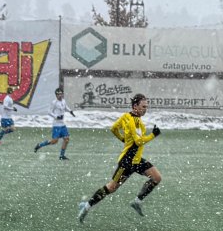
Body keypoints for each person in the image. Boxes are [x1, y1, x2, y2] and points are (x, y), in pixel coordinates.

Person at [78, 93, 162, 221]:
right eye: (143, 106)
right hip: (127, 162)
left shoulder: (127, 116)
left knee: (156, 177)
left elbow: (114, 128)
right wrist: (153, 135)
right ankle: (87, 206)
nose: (146, 109)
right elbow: (139, 141)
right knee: (111, 187)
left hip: (137, 160)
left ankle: (137, 201)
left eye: (146, 106)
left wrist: (123, 139)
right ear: (135, 106)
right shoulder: (134, 121)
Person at [34, 87, 76, 160]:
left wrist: (70, 111)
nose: (60, 95)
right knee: (54, 141)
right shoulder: (54, 102)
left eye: (61, 94)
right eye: (58, 94)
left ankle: (61, 156)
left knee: (66, 139)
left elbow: (65, 107)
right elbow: (49, 112)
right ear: (56, 95)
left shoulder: (63, 101)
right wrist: (56, 116)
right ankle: (40, 145)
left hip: (62, 124)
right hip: (56, 125)